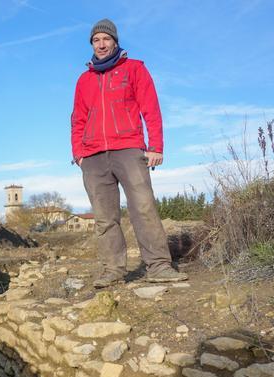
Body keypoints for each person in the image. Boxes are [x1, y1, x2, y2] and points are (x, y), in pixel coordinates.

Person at [71, 18, 188, 288]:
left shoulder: (134, 69)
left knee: (144, 207)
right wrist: (78, 153)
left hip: (128, 148)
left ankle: (158, 266)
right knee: (104, 217)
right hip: (93, 156)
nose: (101, 44)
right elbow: (78, 119)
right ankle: (112, 269)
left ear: (115, 41)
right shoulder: (84, 80)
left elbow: (151, 108)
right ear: (92, 44)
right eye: (96, 40)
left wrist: (156, 146)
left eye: (106, 39)